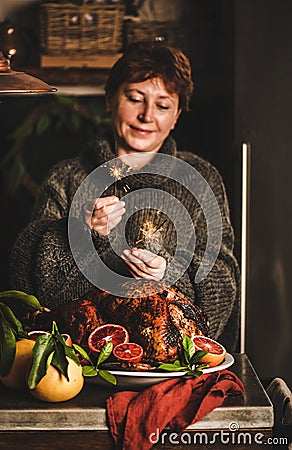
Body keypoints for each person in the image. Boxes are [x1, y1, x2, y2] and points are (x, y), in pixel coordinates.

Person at [10, 41, 240, 351]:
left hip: (171, 372)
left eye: (162, 105)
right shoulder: (66, 177)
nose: (147, 115)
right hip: (81, 370)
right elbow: (26, 285)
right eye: (134, 98)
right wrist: (78, 230)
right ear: (109, 100)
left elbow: (224, 284)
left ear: (176, 116)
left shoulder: (201, 180)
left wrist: (168, 273)